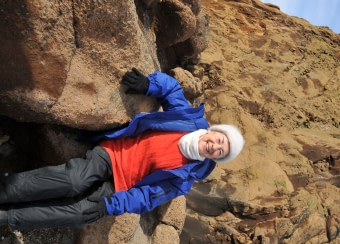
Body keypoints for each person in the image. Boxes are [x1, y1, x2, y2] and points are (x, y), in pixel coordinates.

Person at [0, 68, 245, 231]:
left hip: (121, 186)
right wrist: (149, 84)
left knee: (81, 213)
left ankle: (9, 219)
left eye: (220, 152)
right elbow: (171, 89)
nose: (214, 146)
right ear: (215, 131)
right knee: (76, 180)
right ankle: (6, 190)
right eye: (219, 140)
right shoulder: (190, 121)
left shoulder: (185, 179)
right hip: (113, 153)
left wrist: (110, 205)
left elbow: (147, 196)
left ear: (217, 158)